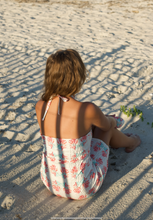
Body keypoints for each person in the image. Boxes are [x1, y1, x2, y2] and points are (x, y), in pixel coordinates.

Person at [35, 49, 141, 200]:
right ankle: (132, 142)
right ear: (77, 77)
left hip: (51, 182)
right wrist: (112, 120)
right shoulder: (86, 109)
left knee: (86, 130)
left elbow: (63, 132)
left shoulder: (40, 106)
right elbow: (106, 127)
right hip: (82, 187)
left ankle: (119, 141)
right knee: (107, 128)